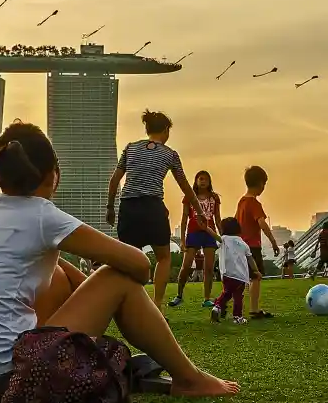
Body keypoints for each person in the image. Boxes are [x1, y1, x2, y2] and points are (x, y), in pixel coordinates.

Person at [0, 121, 238, 403]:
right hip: (9, 380)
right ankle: (189, 377)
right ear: (52, 174)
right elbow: (138, 265)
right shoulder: (41, 214)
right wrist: (108, 293)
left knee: (57, 274)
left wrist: (84, 287)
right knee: (118, 278)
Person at [107, 110, 215, 310]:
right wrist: (200, 212)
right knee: (163, 257)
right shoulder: (170, 154)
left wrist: (110, 207)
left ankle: (130, 304)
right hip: (152, 208)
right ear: (166, 130)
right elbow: (185, 187)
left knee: (131, 259)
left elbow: (114, 180)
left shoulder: (130, 148)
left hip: (128, 207)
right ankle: (156, 305)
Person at [170, 170, 222, 307]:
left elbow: (217, 219)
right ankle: (179, 295)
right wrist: (182, 240)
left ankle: (206, 298)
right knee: (186, 266)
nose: (203, 181)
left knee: (209, 268)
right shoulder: (189, 197)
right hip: (193, 233)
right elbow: (183, 219)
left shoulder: (214, 198)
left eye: (205, 179)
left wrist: (224, 237)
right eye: (200, 179)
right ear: (196, 181)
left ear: (210, 182)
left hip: (210, 233)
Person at [234, 165, 279, 318]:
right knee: (256, 277)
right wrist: (273, 241)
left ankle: (230, 307)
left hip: (240, 246)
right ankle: (254, 309)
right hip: (252, 247)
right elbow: (262, 223)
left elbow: (235, 222)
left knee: (241, 279)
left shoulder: (241, 202)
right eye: (264, 184)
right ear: (260, 183)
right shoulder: (254, 203)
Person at [210, 217, 259, 325]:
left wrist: (206, 228)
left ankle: (217, 307)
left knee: (227, 293)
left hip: (227, 274)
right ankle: (237, 317)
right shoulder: (243, 243)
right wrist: (256, 271)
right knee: (238, 296)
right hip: (240, 276)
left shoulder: (223, 239)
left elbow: (215, 236)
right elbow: (250, 259)